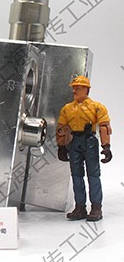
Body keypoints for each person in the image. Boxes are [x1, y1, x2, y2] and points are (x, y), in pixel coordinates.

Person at [56, 75, 112, 221]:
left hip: (90, 141)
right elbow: (61, 128)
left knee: (93, 174)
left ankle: (96, 207)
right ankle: (80, 207)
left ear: (86, 90)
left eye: (78, 87)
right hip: (74, 141)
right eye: (74, 87)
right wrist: (61, 146)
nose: (74, 90)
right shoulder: (67, 109)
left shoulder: (97, 107)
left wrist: (106, 146)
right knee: (76, 175)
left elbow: (104, 127)